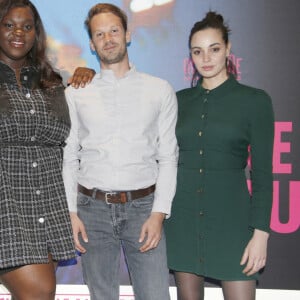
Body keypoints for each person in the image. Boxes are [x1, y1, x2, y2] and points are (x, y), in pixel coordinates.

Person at [63, 3, 178, 300]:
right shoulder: (76, 91)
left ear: (128, 34)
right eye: (100, 34)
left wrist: (158, 213)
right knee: (102, 296)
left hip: (144, 209)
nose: (108, 38)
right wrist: (71, 212)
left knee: (155, 295)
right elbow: (69, 154)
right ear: (91, 43)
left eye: (114, 30)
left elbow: (168, 156)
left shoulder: (159, 89)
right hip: (92, 210)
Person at [164, 11, 274, 300]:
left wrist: (261, 234)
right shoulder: (177, 101)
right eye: (197, 52)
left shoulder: (254, 101)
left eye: (214, 49)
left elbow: (263, 174)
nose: (206, 58)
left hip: (233, 224)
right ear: (191, 56)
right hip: (183, 222)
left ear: (228, 49)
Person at [0, 0, 76, 299]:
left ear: (36, 34)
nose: (18, 32)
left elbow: (67, 137)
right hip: (6, 205)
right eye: (9, 24)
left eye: (27, 26)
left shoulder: (52, 83)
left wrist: (89, 78)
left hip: (48, 205)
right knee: (40, 292)